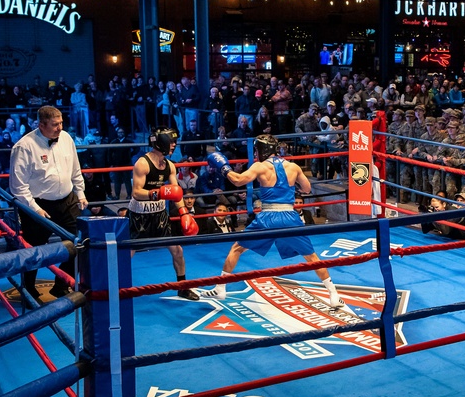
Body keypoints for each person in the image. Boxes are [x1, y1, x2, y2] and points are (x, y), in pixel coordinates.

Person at [205, 135, 343, 308]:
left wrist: (223, 168)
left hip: (267, 218)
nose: (255, 154)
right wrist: (289, 186)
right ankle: (333, 294)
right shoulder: (293, 166)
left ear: (262, 150)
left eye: (256, 150)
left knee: (237, 248)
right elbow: (307, 188)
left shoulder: (260, 166)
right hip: (289, 217)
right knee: (311, 256)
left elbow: (238, 180)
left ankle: (220, 287)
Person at [8, 106, 88, 300]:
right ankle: (28, 288)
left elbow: (75, 168)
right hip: (38, 205)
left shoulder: (66, 138)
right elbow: (17, 186)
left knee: (79, 242)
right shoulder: (24, 147)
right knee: (34, 250)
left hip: (67, 201)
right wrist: (35, 209)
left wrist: (80, 192)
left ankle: (62, 285)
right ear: (41, 124)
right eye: (55, 124)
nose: (60, 128)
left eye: (61, 123)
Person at [127, 128, 200, 301]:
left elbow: (176, 192)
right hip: (140, 215)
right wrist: (158, 193)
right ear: (162, 142)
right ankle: (116, 290)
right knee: (127, 254)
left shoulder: (170, 165)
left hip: (160, 214)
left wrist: (184, 213)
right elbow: (136, 192)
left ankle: (182, 287)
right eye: (171, 141)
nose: (174, 145)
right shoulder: (142, 164)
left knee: (177, 250)